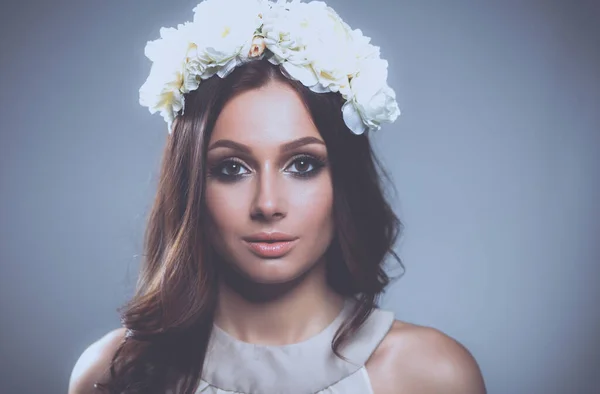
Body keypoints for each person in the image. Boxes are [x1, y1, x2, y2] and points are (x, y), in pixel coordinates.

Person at [69, 0, 486, 393]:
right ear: (191, 184)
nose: (268, 204)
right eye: (232, 168)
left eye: (302, 165)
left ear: (343, 178)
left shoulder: (431, 375)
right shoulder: (112, 374)